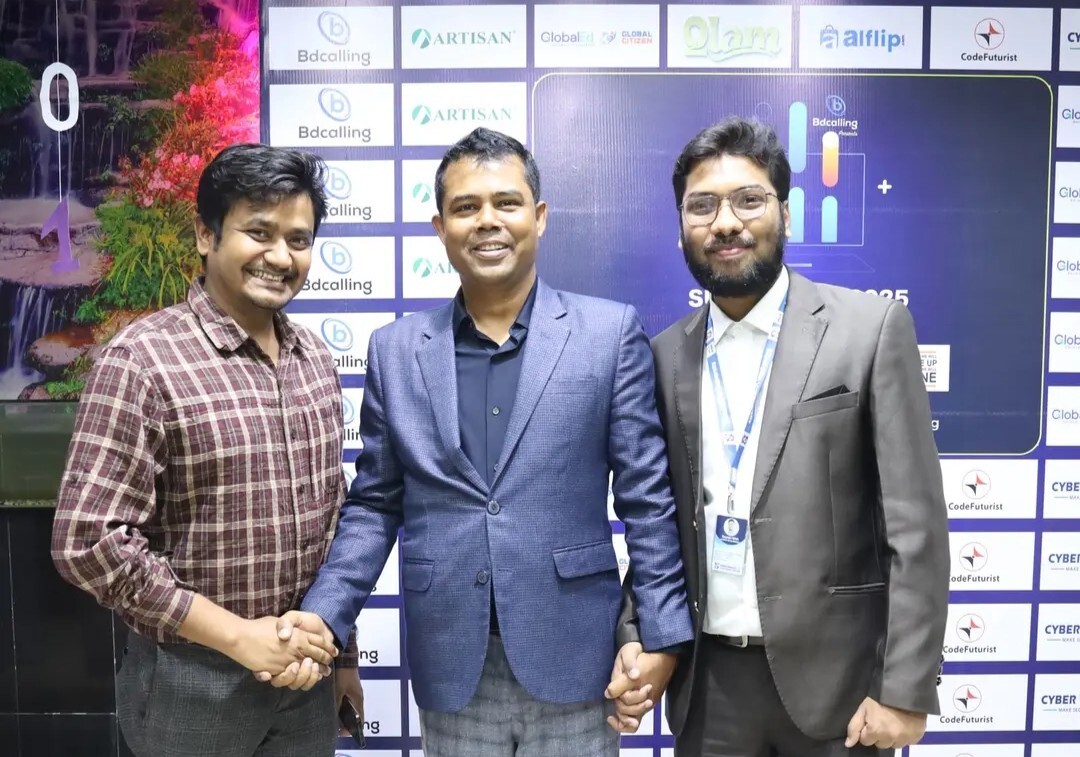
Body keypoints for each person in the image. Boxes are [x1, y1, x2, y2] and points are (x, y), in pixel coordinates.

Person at [275, 127, 693, 757]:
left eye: (507, 203)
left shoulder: (608, 335)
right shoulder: (395, 351)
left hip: (576, 655)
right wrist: (325, 612)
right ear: (440, 228)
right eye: (466, 207)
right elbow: (374, 504)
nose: (487, 221)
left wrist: (660, 635)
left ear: (539, 217)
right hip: (452, 660)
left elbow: (648, 502)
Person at [608, 117, 950, 756]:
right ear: (681, 227)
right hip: (709, 689)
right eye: (702, 206)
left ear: (785, 214)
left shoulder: (869, 330)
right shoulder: (662, 356)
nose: (725, 223)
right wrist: (637, 631)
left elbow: (915, 528)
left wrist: (905, 689)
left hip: (841, 692)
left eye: (748, 200)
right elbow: (657, 523)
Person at [51, 143, 361, 757]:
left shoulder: (315, 360)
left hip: (305, 684)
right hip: (191, 686)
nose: (281, 256)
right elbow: (87, 542)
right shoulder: (142, 360)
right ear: (205, 234)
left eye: (298, 240)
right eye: (258, 233)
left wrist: (342, 656)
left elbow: (331, 518)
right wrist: (238, 638)